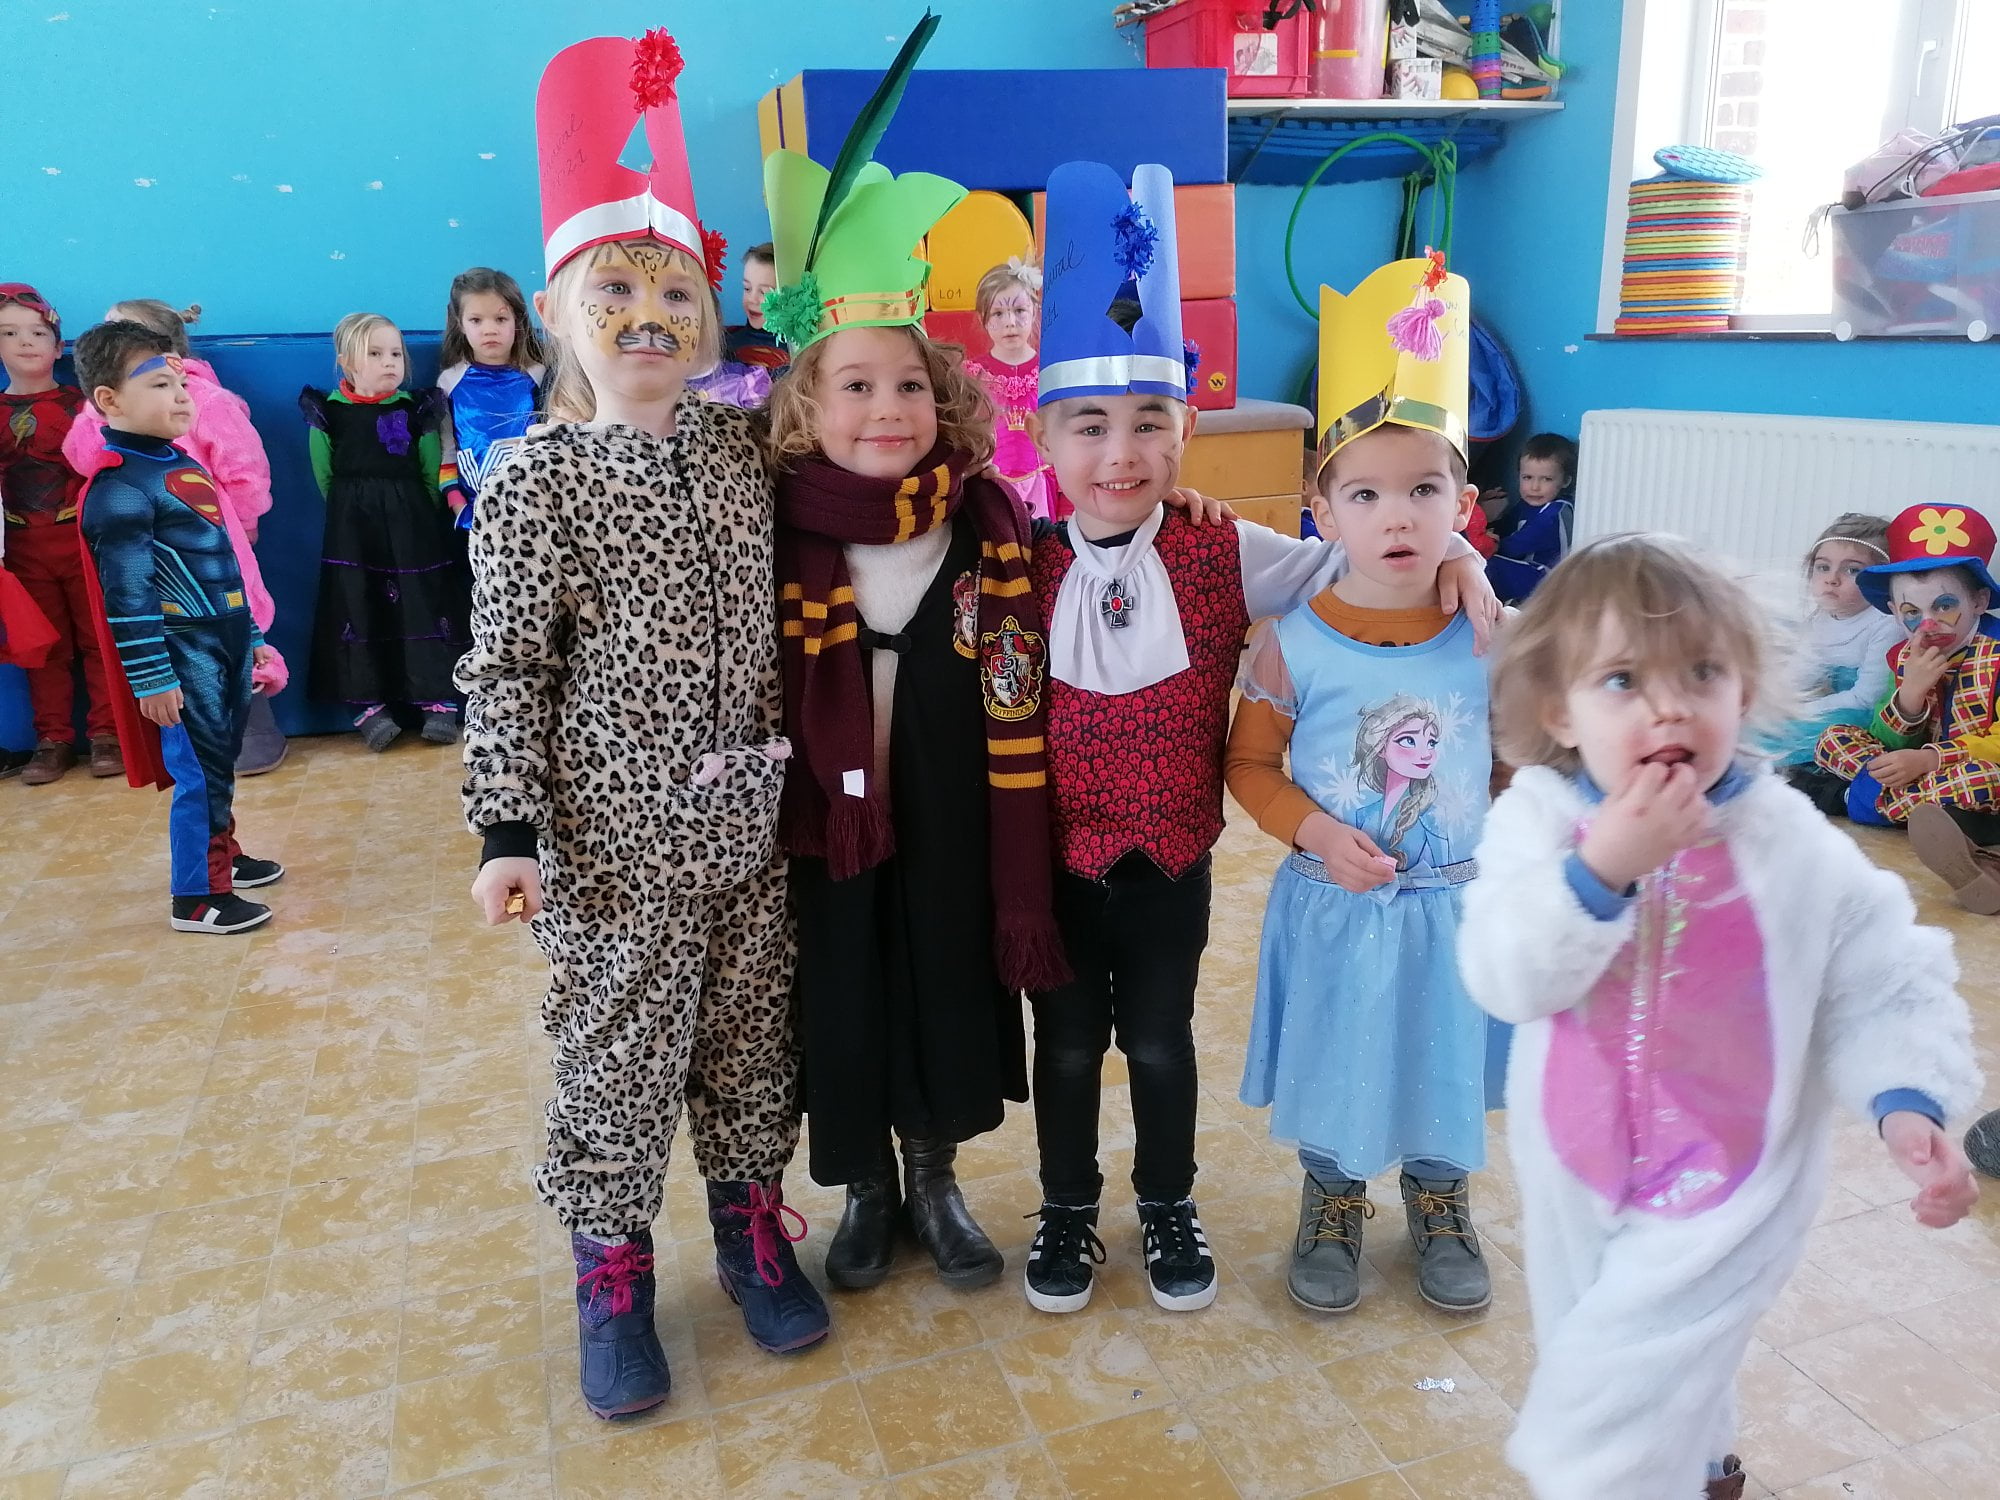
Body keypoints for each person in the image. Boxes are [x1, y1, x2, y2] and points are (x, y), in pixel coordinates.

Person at [1019, 167, 1500, 1316]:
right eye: (1089, 426)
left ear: (1185, 428)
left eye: (1149, 423)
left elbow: (1355, 555)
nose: (1120, 453)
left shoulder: (1223, 548)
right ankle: (1067, 1208)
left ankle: (1169, 1203)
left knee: (1160, 1042)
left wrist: (1460, 553)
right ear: (1042, 435)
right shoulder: (1016, 560)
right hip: (1053, 860)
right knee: (1068, 1047)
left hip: (1170, 857)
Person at [460, 29, 828, 1423]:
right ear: (560, 314)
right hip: (613, 847)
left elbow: (872, 437)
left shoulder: (746, 449)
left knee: (750, 1044)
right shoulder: (533, 477)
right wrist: (506, 831)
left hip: (750, 826)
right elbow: (504, 668)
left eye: (676, 290)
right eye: (614, 291)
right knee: (616, 1057)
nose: (649, 315)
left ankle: (748, 1228)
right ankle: (610, 1270)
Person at [1461, 532, 1981, 1500]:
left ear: (1741, 693)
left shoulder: (1784, 837)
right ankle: (1703, 1469)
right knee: (1594, 1334)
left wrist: (1906, 1096)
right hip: (1577, 1161)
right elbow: (1504, 977)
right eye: (1623, 679)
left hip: (1738, 1177)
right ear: (1558, 709)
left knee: (1609, 1402)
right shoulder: (1536, 822)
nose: (1667, 705)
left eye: (1700, 673)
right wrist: (1598, 871)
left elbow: (1882, 972)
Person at [762, 10, 1064, 1295]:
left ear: (941, 398)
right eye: (854, 386)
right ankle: (866, 1188)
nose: (884, 410)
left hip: (950, 808)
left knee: (941, 979)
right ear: (806, 402)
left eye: (906, 387)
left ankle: (934, 1175)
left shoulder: (987, 521)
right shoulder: (774, 524)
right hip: (822, 818)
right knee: (844, 994)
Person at [1225, 254, 1507, 1319]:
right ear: (1322, 511)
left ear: (1463, 506)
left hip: (1452, 908)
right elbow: (1247, 765)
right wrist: (1313, 835)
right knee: (1338, 1053)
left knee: (1442, 1051)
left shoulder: (1488, 636)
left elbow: (1519, 761)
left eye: (1424, 490)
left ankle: (1440, 1194)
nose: (1398, 517)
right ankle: (1334, 1195)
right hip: (1336, 905)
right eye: (1366, 494)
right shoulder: (1291, 643)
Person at [72, 320, 284, 932]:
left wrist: (252, 637)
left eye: (182, 382)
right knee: (199, 769)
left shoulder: (178, 464)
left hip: (225, 640)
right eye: (161, 385)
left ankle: (223, 857)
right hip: (181, 651)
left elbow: (223, 561)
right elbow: (128, 595)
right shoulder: (119, 488)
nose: (182, 395)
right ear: (109, 400)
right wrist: (152, 678)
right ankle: (196, 896)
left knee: (219, 761)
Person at [64, 298, 291, 775]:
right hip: (157, 563)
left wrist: (244, 524)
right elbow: (84, 460)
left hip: (213, 536)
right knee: (176, 645)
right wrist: (96, 414)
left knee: (235, 620)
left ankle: (253, 728)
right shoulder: (110, 440)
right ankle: (195, 754)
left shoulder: (205, 404)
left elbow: (245, 469)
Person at [1813, 503, 2000, 913]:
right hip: (1921, 779)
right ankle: (1932, 817)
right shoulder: (1904, 654)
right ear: (1896, 611)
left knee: (1983, 779)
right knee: (1834, 738)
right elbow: (1884, 742)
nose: (1928, 624)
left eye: (1944, 606)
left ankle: (1851, 799)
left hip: (1969, 771)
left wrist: (1929, 759)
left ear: (1979, 600)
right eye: (1912, 612)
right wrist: (1910, 695)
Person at [302, 314, 467, 750]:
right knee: (358, 607)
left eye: (396, 353)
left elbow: (430, 472)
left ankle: (436, 700)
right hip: (353, 534)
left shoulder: (416, 410)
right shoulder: (327, 413)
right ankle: (369, 706)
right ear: (346, 363)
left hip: (412, 528)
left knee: (422, 606)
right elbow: (325, 476)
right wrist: (354, 511)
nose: (389, 361)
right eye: (374, 354)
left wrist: (413, 513)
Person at [0, 283, 116, 784]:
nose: (25, 342)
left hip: (82, 542)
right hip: (21, 549)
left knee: (100, 637)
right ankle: (52, 739)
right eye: (9, 333)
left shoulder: (85, 407)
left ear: (59, 345)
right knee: (41, 646)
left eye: (37, 332)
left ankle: (108, 732)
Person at [1771, 512, 1900, 809]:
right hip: (1827, 707)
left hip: (1862, 717)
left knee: (1816, 737)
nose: (1832, 578)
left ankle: (1813, 783)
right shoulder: (1819, 619)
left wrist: (1804, 712)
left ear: (1881, 579)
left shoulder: (1886, 623)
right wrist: (1777, 706)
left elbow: (1867, 698)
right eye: (1823, 567)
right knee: (1756, 728)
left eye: (1852, 570)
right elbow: (1799, 677)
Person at [435, 266, 545, 540]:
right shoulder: (450, 382)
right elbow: (447, 450)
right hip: (475, 517)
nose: (489, 330)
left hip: (535, 512)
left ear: (517, 321)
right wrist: (457, 505)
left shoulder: (539, 376)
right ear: (460, 323)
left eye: (500, 318)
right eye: (476, 320)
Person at [964, 257, 1054, 520]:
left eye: (1019, 310)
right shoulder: (972, 377)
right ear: (983, 319)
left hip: (1043, 489)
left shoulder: (1050, 371)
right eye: (998, 313)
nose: (1010, 322)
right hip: (992, 491)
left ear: (1035, 311)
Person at [1484, 431, 1576, 603]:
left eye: (1546, 479)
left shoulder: (1556, 512)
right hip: (1529, 572)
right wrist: (1486, 524)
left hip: (1548, 580)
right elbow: (1506, 526)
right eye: (1527, 477)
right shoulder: (1526, 505)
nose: (1535, 487)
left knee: (1485, 564)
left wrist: (1483, 544)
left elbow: (1515, 545)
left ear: (1565, 481)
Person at [723, 241, 788, 372]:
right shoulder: (725, 341)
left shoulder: (797, 351)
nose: (752, 299)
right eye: (747, 288)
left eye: (764, 292)